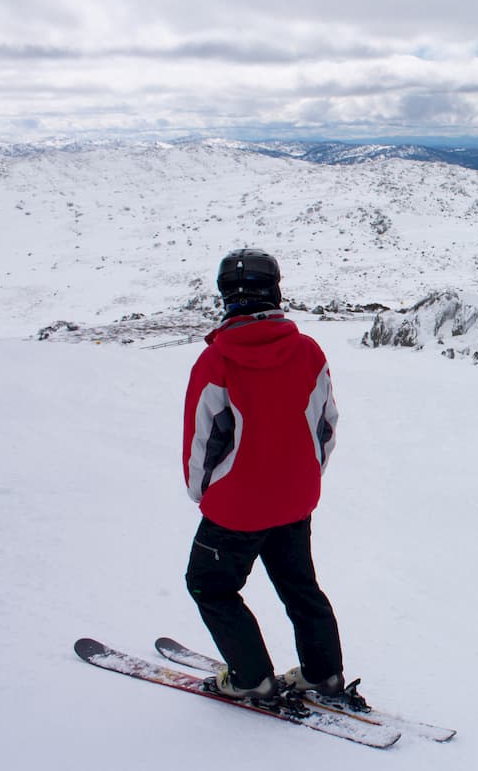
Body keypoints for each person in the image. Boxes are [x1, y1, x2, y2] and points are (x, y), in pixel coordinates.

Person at [182, 248, 345, 700]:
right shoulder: (308, 351)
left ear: (226, 297)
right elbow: (326, 424)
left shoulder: (216, 361)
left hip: (236, 506)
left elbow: (201, 442)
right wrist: (305, 477)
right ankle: (324, 674)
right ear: (274, 290)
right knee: (300, 587)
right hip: (295, 498)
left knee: (210, 585)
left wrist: (204, 495)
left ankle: (252, 679)